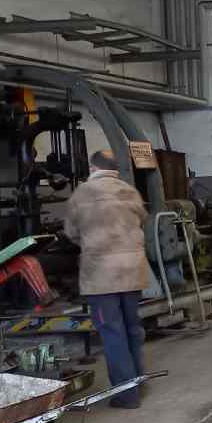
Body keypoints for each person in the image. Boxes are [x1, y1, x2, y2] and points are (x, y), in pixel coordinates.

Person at [64, 149, 150, 408]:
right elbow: (142, 221)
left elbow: (72, 232)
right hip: (132, 271)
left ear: (92, 168)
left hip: (101, 276)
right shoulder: (130, 191)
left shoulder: (82, 194)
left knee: (113, 333)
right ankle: (138, 383)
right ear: (115, 169)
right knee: (132, 328)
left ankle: (127, 395)